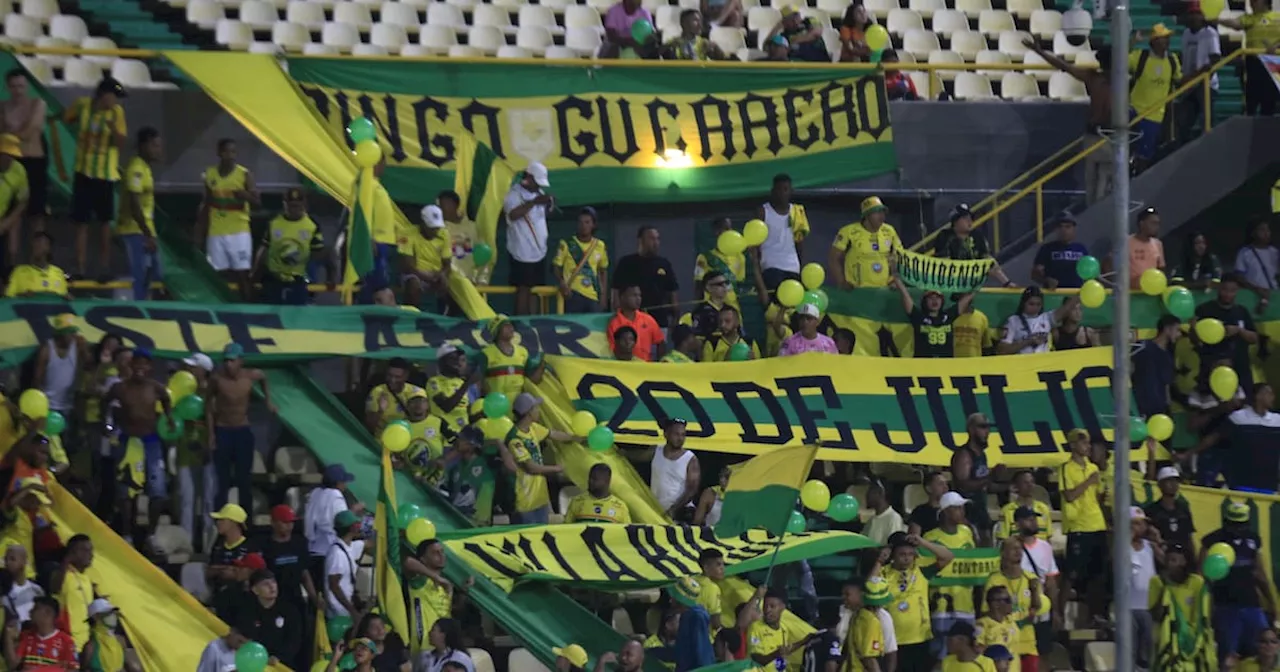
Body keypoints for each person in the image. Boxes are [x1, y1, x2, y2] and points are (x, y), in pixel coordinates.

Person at [1021, 39, 1113, 204]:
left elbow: (1064, 66)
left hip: (1108, 135)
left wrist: (1039, 51)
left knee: (1099, 185)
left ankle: (1098, 215)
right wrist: (1039, 52)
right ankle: (1093, 217)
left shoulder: (1105, 79)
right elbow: (1064, 66)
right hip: (1096, 135)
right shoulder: (1096, 78)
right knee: (1093, 185)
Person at [103, 348, 174, 534]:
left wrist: (169, 418)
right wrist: (108, 423)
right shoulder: (120, 387)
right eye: (137, 362)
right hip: (128, 441)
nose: (140, 367)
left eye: (145, 363)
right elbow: (106, 402)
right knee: (126, 492)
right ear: (131, 364)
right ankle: (128, 534)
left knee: (158, 491)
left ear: (149, 366)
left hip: (151, 441)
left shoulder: (155, 387)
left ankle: (151, 535)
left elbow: (167, 400)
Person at [64, 76, 127, 281]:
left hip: (106, 175)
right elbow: (66, 118)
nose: (116, 101)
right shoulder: (82, 106)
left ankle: (104, 267)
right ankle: (80, 267)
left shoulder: (117, 113)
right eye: (114, 96)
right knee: (81, 222)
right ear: (103, 94)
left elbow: (120, 144)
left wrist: (113, 128)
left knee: (104, 223)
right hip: (83, 172)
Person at [1203, 501, 1276, 665]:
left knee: (1262, 652)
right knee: (1228, 657)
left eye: (1241, 525)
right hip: (1226, 606)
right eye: (1234, 525)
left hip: (1252, 604)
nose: (1238, 529)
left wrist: (1272, 602)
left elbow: (1260, 574)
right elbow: (1203, 576)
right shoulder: (1213, 540)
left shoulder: (1253, 540)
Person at [208, 342, 274, 512]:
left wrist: (268, 400)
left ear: (240, 361)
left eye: (232, 361)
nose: (228, 364)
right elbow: (208, 406)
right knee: (222, 481)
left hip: (242, 431)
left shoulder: (250, 376)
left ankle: (246, 523)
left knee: (244, 479)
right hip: (223, 429)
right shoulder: (217, 379)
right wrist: (211, 434)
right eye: (226, 361)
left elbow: (264, 377)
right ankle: (220, 521)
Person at [500, 393, 577, 524]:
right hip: (524, 503)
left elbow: (554, 434)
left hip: (540, 499)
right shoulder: (515, 439)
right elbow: (530, 468)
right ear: (529, 412)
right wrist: (556, 468)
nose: (538, 411)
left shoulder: (533, 428)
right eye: (536, 408)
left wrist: (577, 438)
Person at [884, 533, 955, 672]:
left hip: (920, 638)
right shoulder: (883, 573)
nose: (907, 557)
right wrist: (880, 559)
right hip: (894, 640)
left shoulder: (921, 571)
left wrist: (923, 542)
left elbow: (948, 556)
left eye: (910, 554)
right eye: (902, 554)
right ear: (893, 556)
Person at [200, 138, 260, 302]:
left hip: (239, 231)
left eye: (233, 151)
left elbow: (257, 201)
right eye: (226, 151)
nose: (230, 155)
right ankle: (220, 306)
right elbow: (206, 203)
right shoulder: (210, 174)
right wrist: (199, 230)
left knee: (242, 273)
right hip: (216, 231)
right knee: (216, 273)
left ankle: (248, 309)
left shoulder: (244, 174)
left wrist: (245, 195)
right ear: (219, 153)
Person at [1059, 428, 1108, 623]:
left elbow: (1096, 496)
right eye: (1083, 443)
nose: (1087, 447)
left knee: (1097, 575)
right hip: (1078, 526)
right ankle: (1059, 615)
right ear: (1072, 445)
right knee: (1071, 574)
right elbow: (1069, 495)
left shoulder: (1093, 468)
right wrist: (1088, 482)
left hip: (1097, 524)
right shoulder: (1066, 468)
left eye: (1088, 443)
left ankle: (1095, 616)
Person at [924, 492, 978, 658]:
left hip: (966, 602)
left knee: (965, 654)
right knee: (941, 655)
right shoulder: (931, 538)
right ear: (946, 511)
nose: (962, 512)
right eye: (957, 508)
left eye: (962, 508)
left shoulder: (967, 532)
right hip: (941, 606)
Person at [254, 187, 328, 305]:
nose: (294, 209)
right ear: (285, 204)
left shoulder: (312, 226)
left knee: (296, 314)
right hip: (274, 278)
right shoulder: (274, 223)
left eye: (297, 206)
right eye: (291, 206)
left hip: (298, 279)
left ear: (304, 205)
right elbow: (263, 249)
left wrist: (327, 275)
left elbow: (319, 252)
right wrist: (255, 274)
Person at [1149, 543, 1216, 671]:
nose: (1170, 565)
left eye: (1174, 560)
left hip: (1194, 642)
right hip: (1168, 642)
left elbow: (1206, 614)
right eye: (1167, 560)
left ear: (1184, 562)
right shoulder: (1157, 581)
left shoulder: (1197, 582)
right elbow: (1155, 615)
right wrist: (1165, 588)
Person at [115, 127, 163, 301]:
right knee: (140, 273)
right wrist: (147, 234)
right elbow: (134, 204)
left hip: (144, 230)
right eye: (155, 145)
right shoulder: (136, 168)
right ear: (143, 146)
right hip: (134, 231)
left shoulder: (146, 168)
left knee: (155, 273)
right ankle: (139, 308)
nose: (158, 150)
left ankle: (147, 303)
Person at [1, 69, 46, 250]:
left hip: (33, 161)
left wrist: (9, 135)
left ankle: (40, 255)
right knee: (13, 213)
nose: (18, 91)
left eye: (21, 86)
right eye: (13, 86)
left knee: (37, 214)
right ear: (8, 87)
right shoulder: (3, 106)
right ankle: (12, 262)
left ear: (26, 86)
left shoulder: (37, 104)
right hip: (12, 162)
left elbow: (29, 132)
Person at [984, 538, 1045, 672]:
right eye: (1013, 548)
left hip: (1028, 643)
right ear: (1003, 553)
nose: (1018, 551)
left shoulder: (1030, 577)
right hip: (1004, 644)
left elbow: (1038, 607)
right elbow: (987, 612)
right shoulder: (994, 580)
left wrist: (1034, 590)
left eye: (1020, 548)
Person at [1127, 24, 1181, 173]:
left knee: (1145, 155)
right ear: (1154, 41)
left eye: (1168, 38)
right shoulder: (1140, 57)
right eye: (1164, 38)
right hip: (1134, 111)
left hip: (1155, 116)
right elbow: (1119, 61)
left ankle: (1138, 181)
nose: (1167, 41)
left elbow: (1178, 79)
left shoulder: (1172, 60)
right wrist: (1132, 42)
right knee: (1126, 150)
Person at [404, 539, 472, 657]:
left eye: (442, 552)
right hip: (425, 647)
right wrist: (436, 578)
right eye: (435, 553)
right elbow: (407, 562)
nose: (441, 556)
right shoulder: (420, 580)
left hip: (445, 646)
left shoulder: (445, 585)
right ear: (423, 559)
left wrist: (464, 590)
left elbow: (450, 611)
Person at [1192, 273, 1257, 393]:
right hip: (1213, 369)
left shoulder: (1242, 311)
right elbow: (1195, 340)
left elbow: (1254, 338)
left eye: (1232, 290)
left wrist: (1239, 330)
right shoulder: (1205, 310)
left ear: (1237, 291)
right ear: (1219, 288)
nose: (1228, 294)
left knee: (1244, 406)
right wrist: (1195, 330)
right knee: (1214, 408)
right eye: (1224, 289)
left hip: (1240, 369)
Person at [503, 162, 553, 315]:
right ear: (528, 178)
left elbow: (544, 215)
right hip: (522, 251)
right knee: (523, 290)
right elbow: (512, 215)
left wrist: (549, 203)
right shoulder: (513, 194)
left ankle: (534, 323)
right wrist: (533, 203)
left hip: (539, 250)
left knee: (536, 290)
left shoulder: (539, 193)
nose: (538, 186)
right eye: (536, 182)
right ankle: (520, 322)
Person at [261, 504, 318, 637]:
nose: (289, 526)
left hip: (296, 598)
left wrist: (313, 597)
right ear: (273, 523)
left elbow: (304, 573)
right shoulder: (266, 546)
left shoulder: (299, 543)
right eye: (284, 522)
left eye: (291, 523)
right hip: (275, 600)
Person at [1218, 0, 1280, 116]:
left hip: (1272, 64)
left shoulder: (1277, 17)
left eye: (1255, 1)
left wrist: (1276, 48)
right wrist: (1217, 20)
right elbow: (1236, 23)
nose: (1252, 3)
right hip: (1253, 63)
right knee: (1251, 100)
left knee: (1269, 102)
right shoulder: (1249, 18)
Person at [34, 314, 90, 439]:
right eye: (69, 333)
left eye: (74, 333)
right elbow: (37, 378)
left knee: (66, 442)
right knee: (49, 441)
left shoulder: (77, 345)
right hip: (49, 406)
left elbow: (89, 366)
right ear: (60, 334)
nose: (73, 336)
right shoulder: (47, 348)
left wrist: (85, 349)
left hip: (68, 405)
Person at [611, 227, 679, 330]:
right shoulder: (626, 262)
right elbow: (615, 289)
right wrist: (616, 313)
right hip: (632, 320)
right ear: (640, 240)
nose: (655, 242)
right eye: (651, 239)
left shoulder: (664, 264)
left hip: (659, 320)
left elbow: (672, 290)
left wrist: (676, 316)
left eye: (657, 239)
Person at [931, 204, 1014, 286]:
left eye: (970, 218)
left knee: (991, 262)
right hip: (951, 281)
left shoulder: (978, 236)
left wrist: (1006, 282)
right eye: (965, 218)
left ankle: (1008, 284)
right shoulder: (944, 236)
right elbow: (943, 263)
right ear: (955, 221)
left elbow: (988, 260)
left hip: (974, 280)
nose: (969, 221)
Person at [754, 174, 810, 294]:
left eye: (785, 189)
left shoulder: (797, 211)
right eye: (778, 189)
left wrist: (800, 266)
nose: (782, 193)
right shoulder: (763, 211)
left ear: (791, 191)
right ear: (773, 191)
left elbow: (799, 243)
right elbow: (755, 246)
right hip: (770, 266)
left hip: (793, 267)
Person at [952, 413, 1002, 545]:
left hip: (980, 509)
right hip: (967, 512)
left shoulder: (982, 455)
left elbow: (985, 485)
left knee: (987, 547)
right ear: (971, 429)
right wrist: (991, 476)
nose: (987, 432)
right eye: (982, 427)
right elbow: (963, 485)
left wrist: (1009, 486)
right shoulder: (964, 455)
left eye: (988, 428)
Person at [893, 279, 974, 359]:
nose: (934, 300)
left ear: (942, 301)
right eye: (930, 298)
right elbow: (905, 294)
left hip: (946, 367)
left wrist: (983, 279)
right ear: (925, 301)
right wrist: (896, 278)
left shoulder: (949, 315)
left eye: (938, 298)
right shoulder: (918, 316)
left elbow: (970, 296)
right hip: (923, 367)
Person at [831, 196, 899, 290]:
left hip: (884, 290)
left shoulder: (890, 231)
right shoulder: (848, 232)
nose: (882, 216)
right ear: (867, 215)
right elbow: (833, 258)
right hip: (857, 291)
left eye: (883, 212)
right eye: (877, 212)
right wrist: (841, 282)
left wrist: (894, 280)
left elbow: (897, 257)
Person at [305, 463, 354, 588]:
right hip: (328, 552)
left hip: (312, 550)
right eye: (343, 481)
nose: (345, 485)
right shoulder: (335, 495)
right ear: (337, 483)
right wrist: (353, 511)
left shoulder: (315, 493)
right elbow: (342, 522)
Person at [1178, 3, 1221, 141]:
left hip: (1205, 84)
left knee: (1206, 122)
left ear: (1201, 16)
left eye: (1196, 14)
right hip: (1190, 84)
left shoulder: (1210, 33)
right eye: (1190, 14)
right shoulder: (1185, 34)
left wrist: (1194, 78)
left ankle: (1211, 146)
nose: (1192, 17)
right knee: (1184, 122)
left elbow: (1215, 59)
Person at [553, 207, 609, 314]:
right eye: (580, 222)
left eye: (587, 222)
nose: (584, 226)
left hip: (593, 295)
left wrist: (603, 296)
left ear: (593, 225)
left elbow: (603, 271)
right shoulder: (566, 244)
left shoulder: (599, 245)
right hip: (573, 294)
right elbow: (556, 267)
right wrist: (562, 283)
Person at [243, 570, 302, 670]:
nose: (272, 587)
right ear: (255, 590)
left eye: (274, 582)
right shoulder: (247, 612)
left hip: (283, 665)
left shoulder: (289, 610)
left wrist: (278, 657)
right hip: (256, 663)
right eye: (266, 584)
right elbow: (246, 638)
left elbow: (294, 641)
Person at [1128, 508, 1163, 670]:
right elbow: (1115, 563)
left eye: (1142, 524)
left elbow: (1165, 561)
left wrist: (1158, 540)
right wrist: (1127, 538)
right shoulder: (1120, 546)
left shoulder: (1149, 546)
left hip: (1148, 607)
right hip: (1128, 608)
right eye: (1135, 524)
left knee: (1148, 650)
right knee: (1130, 650)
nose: (1140, 528)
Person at [206, 503, 255, 617]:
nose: (218, 523)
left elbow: (255, 574)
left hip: (242, 602)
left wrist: (232, 573)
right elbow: (208, 571)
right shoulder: (218, 545)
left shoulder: (250, 546)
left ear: (233, 523)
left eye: (222, 520)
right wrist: (227, 570)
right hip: (219, 599)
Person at [996, 288, 1079, 355]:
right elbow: (1002, 350)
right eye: (1031, 304)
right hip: (1022, 364)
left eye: (1038, 304)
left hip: (1043, 364)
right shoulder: (1013, 321)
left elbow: (1067, 307)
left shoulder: (1046, 318)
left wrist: (1082, 291)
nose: (1035, 307)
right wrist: (1028, 342)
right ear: (1023, 303)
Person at [400, 204, 452, 310]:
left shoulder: (445, 234)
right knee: (413, 285)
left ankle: (444, 315)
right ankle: (414, 316)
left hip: (435, 274)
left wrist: (441, 274)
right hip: (415, 273)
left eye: (437, 228)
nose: (435, 231)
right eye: (431, 228)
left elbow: (447, 263)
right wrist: (425, 276)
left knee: (451, 285)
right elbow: (407, 265)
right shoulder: (406, 233)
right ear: (423, 222)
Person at [437, 189, 487, 292]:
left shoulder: (472, 227)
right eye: (439, 206)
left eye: (444, 205)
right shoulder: (439, 229)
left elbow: (482, 254)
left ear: (455, 205)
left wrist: (482, 280)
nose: (441, 210)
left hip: (470, 283)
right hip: (448, 284)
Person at [441, 426, 493, 524]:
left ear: (472, 445)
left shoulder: (484, 467)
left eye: (462, 439)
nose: (458, 441)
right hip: (455, 519)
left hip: (473, 524)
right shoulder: (457, 466)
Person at [650, 418, 700, 521]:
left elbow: (692, 490)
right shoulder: (656, 451)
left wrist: (674, 510)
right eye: (676, 434)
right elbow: (635, 456)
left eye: (683, 435)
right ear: (666, 434)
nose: (680, 438)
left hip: (679, 513)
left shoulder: (690, 458)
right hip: (656, 511)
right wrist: (619, 452)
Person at [693, 218, 747, 310]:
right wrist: (700, 307)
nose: (729, 232)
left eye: (730, 229)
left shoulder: (740, 257)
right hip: (713, 306)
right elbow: (699, 284)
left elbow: (739, 283)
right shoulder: (705, 257)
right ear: (717, 232)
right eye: (725, 229)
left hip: (732, 308)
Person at [365, 358, 427, 435]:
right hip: (382, 441)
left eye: (397, 377)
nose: (392, 380)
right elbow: (369, 426)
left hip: (409, 440)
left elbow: (424, 423)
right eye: (389, 375)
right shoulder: (377, 392)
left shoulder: (417, 393)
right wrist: (380, 411)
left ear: (406, 376)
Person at [15, 596, 78, 669]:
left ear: (48, 613)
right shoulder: (26, 636)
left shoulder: (66, 641)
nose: (30, 611)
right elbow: (13, 664)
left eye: (35, 609)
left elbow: (73, 669)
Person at [325, 509, 366, 619]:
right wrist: (352, 610)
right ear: (352, 528)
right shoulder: (337, 554)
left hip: (345, 609)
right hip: (339, 611)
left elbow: (369, 544)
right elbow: (334, 586)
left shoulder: (348, 547)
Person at [402, 388, 447, 488]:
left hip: (436, 480)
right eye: (413, 401)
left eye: (422, 401)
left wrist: (444, 461)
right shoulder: (401, 427)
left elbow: (457, 444)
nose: (418, 404)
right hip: (410, 481)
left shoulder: (438, 422)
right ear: (407, 406)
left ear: (427, 405)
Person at [428, 345, 477, 436]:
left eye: (457, 359)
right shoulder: (434, 382)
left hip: (464, 438)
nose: (457, 362)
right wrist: (467, 383)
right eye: (452, 359)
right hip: (446, 437)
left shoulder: (460, 382)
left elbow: (467, 414)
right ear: (441, 363)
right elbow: (446, 406)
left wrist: (482, 414)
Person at [607, 285, 665, 361]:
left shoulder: (648, 319)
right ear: (622, 297)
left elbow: (660, 342)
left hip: (646, 368)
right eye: (634, 295)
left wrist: (659, 363)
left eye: (639, 295)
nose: (638, 299)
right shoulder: (614, 323)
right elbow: (612, 350)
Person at [476, 316, 528, 401]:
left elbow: (533, 379)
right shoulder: (486, 354)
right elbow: (478, 383)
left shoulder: (523, 352)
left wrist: (543, 361)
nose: (510, 328)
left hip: (518, 409)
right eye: (505, 326)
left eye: (511, 325)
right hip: (496, 408)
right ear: (496, 331)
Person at [1144, 467, 1195, 550]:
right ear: (1160, 484)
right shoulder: (1151, 510)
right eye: (1169, 481)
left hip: (1183, 555)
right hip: (1161, 554)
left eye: (1176, 481)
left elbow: (1189, 536)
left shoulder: (1184, 508)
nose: (1173, 484)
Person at [1031, 217, 1088, 289]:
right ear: (1056, 230)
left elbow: (1088, 272)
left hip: (1076, 293)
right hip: (1054, 294)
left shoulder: (1081, 249)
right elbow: (1035, 274)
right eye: (1060, 227)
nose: (1063, 230)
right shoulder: (1047, 248)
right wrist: (1045, 280)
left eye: (1068, 226)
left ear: (1073, 229)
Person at [5, 232, 68, 298]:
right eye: (35, 243)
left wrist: (68, 298)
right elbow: (8, 298)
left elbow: (64, 298)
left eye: (42, 244)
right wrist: (22, 296)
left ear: (49, 248)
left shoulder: (58, 273)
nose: (37, 246)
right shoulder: (19, 272)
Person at [0, 133, 28, 280]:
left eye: (13, 156)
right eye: (7, 155)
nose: (10, 159)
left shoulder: (18, 171)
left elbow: (22, 201)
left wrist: (8, 221)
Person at [565, 463, 631, 524]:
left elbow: (627, 533)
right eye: (590, 478)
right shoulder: (577, 502)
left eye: (594, 479)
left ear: (607, 481)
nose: (590, 481)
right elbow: (566, 529)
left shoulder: (620, 507)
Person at [974, 586, 1020, 672]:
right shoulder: (982, 625)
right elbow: (977, 650)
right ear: (995, 604)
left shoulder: (1011, 622)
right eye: (1007, 600)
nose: (1011, 604)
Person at [81, 598, 133, 672]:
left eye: (113, 613)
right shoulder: (90, 647)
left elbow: (126, 665)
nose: (113, 616)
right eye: (108, 614)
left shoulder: (120, 642)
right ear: (96, 618)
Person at [1235, 217, 1279, 305]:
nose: (1266, 233)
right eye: (1262, 230)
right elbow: (1239, 277)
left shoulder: (1275, 252)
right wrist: (1256, 289)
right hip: (1253, 295)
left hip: (1274, 294)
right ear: (1253, 233)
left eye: (1268, 230)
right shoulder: (1245, 253)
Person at [1000, 472, 1051, 541]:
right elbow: (1003, 539)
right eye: (1025, 482)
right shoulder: (1007, 510)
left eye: (1032, 482)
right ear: (1016, 487)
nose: (1030, 485)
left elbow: (1048, 538)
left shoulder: (1043, 509)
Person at [683, 270, 730, 342]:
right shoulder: (701, 312)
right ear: (708, 287)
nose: (725, 287)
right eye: (720, 284)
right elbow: (698, 340)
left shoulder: (731, 310)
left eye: (726, 283)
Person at [2, 544, 43, 623]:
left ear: (24, 561)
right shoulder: (3, 591)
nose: (7, 563)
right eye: (5, 559)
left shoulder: (37, 590)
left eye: (12, 559)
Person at [1128, 207, 1165, 290]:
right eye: (1153, 223)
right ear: (1142, 224)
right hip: (1132, 292)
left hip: (1152, 290)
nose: (1156, 227)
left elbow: (1161, 268)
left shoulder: (1158, 244)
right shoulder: (1126, 242)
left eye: (1158, 224)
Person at [861, 480, 906, 545]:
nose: (866, 495)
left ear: (880, 493)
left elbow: (892, 546)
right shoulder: (871, 520)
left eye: (870, 491)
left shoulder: (893, 518)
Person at [907, 472, 949, 536]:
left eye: (946, 484)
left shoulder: (952, 510)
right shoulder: (920, 512)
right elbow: (914, 538)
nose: (945, 487)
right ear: (929, 489)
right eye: (940, 484)